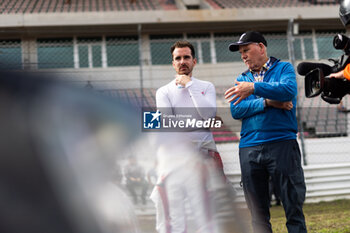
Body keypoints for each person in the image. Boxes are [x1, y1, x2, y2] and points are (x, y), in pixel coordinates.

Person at [152, 40, 240, 233]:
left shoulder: (205, 86)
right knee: (171, 205)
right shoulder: (164, 91)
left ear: (194, 61)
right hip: (178, 157)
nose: (182, 61)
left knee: (212, 206)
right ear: (172, 63)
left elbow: (208, 114)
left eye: (186, 57)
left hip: (206, 153)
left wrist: (189, 85)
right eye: (178, 58)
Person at [224, 31, 307, 233]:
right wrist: (267, 101)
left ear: (261, 47)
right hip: (249, 148)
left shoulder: (283, 68)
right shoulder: (241, 79)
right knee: (257, 213)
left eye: (246, 50)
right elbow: (236, 110)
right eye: (241, 52)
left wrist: (253, 89)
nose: (243, 55)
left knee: (293, 206)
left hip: (282, 143)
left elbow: (287, 91)